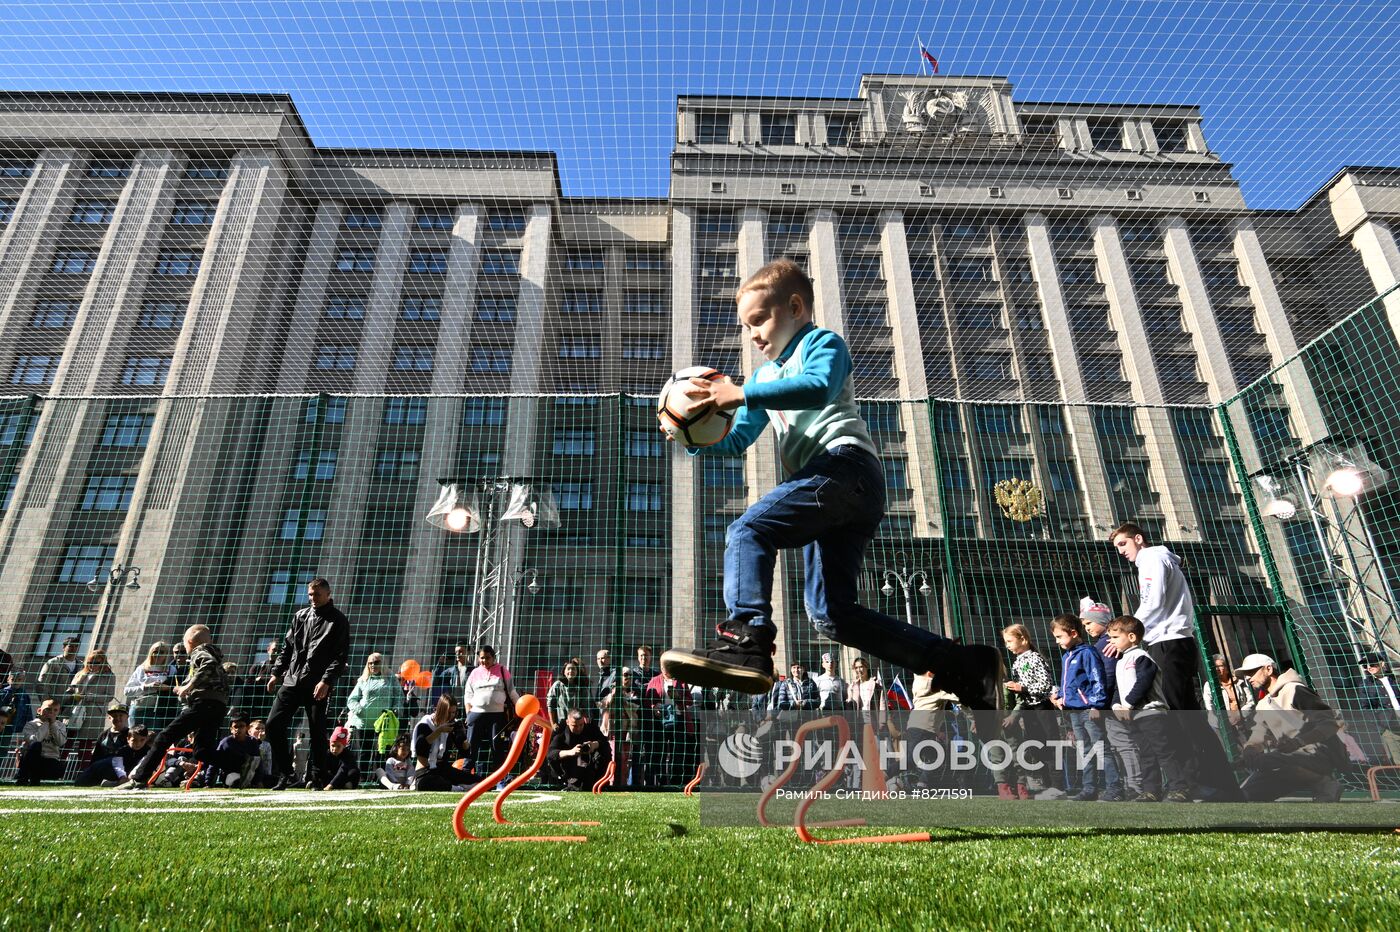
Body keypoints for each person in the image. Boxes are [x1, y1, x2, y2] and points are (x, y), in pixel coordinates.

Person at [659, 260, 1002, 709]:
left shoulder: (821, 343)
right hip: (831, 491)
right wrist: (690, 433)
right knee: (831, 615)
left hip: (845, 469)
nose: (754, 334)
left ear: (796, 307)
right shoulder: (763, 378)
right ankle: (961, 664)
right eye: (747, 327)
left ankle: (747, 639)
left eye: (760, 319)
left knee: (748, 530)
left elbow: (818, 387)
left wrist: (739, 393)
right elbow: (739, 436)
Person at [115, 625, 230, 791]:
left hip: (204, 704)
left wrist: (188, 686)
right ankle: (241, 761)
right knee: (202, 751)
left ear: (189, 642)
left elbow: (207, 665)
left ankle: (139, 779)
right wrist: (185, 689)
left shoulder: (199, 651)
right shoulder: (214, 655)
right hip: (218, 706)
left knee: (163, 737)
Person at [264, 577, 350, 790]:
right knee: (273, 725)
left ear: (328, 595)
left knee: (317, 731)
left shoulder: (338, 620)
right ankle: (287, 774)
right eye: (310, 594)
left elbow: (340, 657)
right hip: (292, 680)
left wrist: (326, 681)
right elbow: (288, 648)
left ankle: (317, 778)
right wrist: (276, 673)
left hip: (317, 684)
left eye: (317, 594)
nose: (312, 598)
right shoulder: (300, 616)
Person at [1233, 654, 1346, 803]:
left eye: (1251, 672)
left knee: (1268, 760)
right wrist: (1250, 749)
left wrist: (1298, 742)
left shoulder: (1295, 690)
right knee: (1244, 795)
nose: (1248, 678)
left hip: (1319, 754)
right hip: (1287, 759)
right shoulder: (1263, 704)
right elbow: (1259, 734)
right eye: (1246, 675)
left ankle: (1325, 784)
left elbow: (1329, 724)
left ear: (1268, 669)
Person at [1106, 616, 1192, 803]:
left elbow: (1143, 682)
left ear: (1131, 636)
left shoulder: (1142, 657)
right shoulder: (1120, 661)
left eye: (1114, 637)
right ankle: (1151, 790)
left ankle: (1180, 788)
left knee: (1164, 752)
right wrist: (1116, 705)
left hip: (1151, 714)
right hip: (1135, 716)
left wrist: (1128, 704)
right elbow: (1117, 689)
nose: (1111, 641)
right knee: (1146, 753)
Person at [1047, 615, 1108, 801]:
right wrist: (1062, 698)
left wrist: (1096, 705)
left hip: (1088, 710)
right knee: (1084, 749)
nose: (1057, 642)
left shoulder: (1087, 652)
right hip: (1074, 712)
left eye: (1059, 637)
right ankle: (1089, 788)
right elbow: (1072, 683)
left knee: (1101, 748)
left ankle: (1114, 786)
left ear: (1073, 633)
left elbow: (1096, 679)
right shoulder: (1067, 656)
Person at [999, 624, 1056, 799]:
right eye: (1005, 642)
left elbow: (1045, 685)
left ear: (1023, 639)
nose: (1007, 645)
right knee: (1035, 746)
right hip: (1029, 710)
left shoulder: (1034, 658)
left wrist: (1021, 687)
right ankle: (1044, 785)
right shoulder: (1018, 661)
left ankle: (1056, 785)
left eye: (1010, 641)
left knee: (1048, 745)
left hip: (1041, 708)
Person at [1078, 600, 1125, 802]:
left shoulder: (1105, 644)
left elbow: (1105, 675)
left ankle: (1120, 787)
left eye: (1089, 624)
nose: (1087, 629)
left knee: (1115, 746)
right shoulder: (1100, 644)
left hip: (1108, 705)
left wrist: (1097, 703)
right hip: (1104, 703)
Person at [463, 645, 519, 783]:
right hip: (476, 714)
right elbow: (468, 695)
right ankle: (465, 775)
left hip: (497, 715)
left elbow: (512, 691)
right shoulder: (474, 673)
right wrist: (468, 713)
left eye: (487, 658)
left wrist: (519, 707)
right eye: (482, 658)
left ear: (493, 657)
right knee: (472, 744)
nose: (484, 661)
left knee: (497, 746)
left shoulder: (502, 670)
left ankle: (500, 778)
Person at [344, 653, 399, 772]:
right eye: (370, 663)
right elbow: (351, 699)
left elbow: (398, 696)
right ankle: (363, 779)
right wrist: (359, 710)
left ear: (383, 663)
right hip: (364, 722)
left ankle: (379, 779)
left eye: (376, 662)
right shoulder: (363, 680)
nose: (373, 665)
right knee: (365, 753)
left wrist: (396, 709)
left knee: (381, 752)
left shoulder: (391, 678)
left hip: (384, 722)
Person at [413, 694, 470, 792]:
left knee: (480, 781)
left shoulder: (452, 724)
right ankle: (455, 788)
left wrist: (463, 736)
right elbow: (420, 748)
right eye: (449, 713)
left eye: (453, 712)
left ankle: (459, 786)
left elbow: (464, 751)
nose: (451, 716)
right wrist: (439, 731)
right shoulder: (425, 724)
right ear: (441, 710)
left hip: (442, 769)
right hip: (425, 771)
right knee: (426, 783)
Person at [546, 709, 612, 790]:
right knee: (554, 758)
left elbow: (606, 745)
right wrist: (571, 752)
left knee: (604, 751)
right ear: (567, 722)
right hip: (569, 769)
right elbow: (550, 754)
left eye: (581, 725)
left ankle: (600, 783)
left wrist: (595, 745)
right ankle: (565, 782)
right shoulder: (560, 731)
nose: (578, 728)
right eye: (575, 726)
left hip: (591, 768)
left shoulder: (591, 728)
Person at [601, 667, 643, 787]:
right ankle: (610, 782)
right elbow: (603, 705)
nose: (628, 677)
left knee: (625, 760)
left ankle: (623, 784)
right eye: (625, 675)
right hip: (612, 731)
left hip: (627, 732)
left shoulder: (635, 692)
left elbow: (635, 706)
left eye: (630, 675)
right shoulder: (610, 692)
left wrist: (622, 698)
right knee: (612, 757)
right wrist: (614, 694)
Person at [123, 642, 179, 731]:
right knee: (135, 737)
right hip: (140, 708)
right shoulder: (141, 669)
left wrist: (164, 687)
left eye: (162, 652)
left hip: (160, 710)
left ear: (166, 655)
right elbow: (127, 691)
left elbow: (176, 689)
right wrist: (146, 687)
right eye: (155, 651)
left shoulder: (171, 669)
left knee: (154, 738)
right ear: (151, 652)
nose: (158, 654)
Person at [73, 701, 130, 785]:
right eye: (114, 716)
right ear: (109, 718)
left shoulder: (131, 734)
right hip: (104, 765)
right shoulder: (103, 735)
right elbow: (96, 755)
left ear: (127, 717)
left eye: (120, 715)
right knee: (80, 782)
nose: (118, 718)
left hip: (124, 767)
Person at [65, 649, 116, 741]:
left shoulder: (109, 676)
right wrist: (72, 695)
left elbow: (109, 696)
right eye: (89, 662)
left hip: (94, 712)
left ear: (103, 662)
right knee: (67, 740)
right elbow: (70, 690)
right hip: (75, 710)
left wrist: (90, 696)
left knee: (86, 743)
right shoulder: (80, 673)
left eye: (96, 662)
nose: (92, 665)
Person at [1359, 653, 1400, 764]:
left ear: (1382, 663)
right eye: (1365, 666)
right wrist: (1380, 727)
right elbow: (1365, 708)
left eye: (1371, 664)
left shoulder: (1393, 678)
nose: (1368, 667)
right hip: (1388, 726)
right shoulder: (1365, 684)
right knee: (1398, 758)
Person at [14, 699, 67, 785]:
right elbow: (34, 741)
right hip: (33, 760)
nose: (51, 713)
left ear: (58, 712)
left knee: (59, 768)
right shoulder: (31, 725)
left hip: (50, 760)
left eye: (55, 710)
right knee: (36, 745)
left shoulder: (60, 725)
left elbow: (60, 742)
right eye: (48, 709)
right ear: (39, 710)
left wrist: (52, 724)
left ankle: (33, 777)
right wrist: (46, 724)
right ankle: (26, 779)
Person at [213, 713, 262, 788]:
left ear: (247, 728)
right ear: (231, 729)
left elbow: (258, 763)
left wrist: (259, 781)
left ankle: (250, 782)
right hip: (230, 776)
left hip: (250, 775)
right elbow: (214, 762)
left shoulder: (253, 742)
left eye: (241, 726)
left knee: (273, 780)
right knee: (235, 780)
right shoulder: (225, 743)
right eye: (235, 727)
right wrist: (208, 783)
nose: (238, 729)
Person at [36, 637, 82, 702]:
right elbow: (41, 684)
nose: (74, 649)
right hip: (54, 705)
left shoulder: (81, 666)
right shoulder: (53, 663)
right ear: (64, 647)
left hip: (71, 705)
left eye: (76, 646)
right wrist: (47, 703)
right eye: (70, 646)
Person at [547, 659, 588, 727]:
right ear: (564, 671)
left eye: (573, 669)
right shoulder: (557, 685)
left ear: (577, 672)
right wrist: (553, 723)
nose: (571, 671)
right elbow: (550, 705)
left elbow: (585, 707)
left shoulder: (582, 687)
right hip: (561, 724)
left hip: (577, 725)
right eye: (568, 669)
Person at [0, 669, 33, 738]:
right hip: (2, 722)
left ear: (23, 681)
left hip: (15, 724)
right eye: (13, 679)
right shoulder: (2, 693)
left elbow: (28, 710)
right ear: (8, 679)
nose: (16, 682)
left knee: (6, 743)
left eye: (19, 680)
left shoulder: (24, 695)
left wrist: (31, 723)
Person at [248, 719, 275, 788]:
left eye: (263, 728)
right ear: (249, 731)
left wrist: (268, 776)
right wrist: (259, 741)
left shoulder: (267, 745)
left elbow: (268, 761)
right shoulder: (246, 741)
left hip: (261, 773)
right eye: (257, 728)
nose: (260, 730)